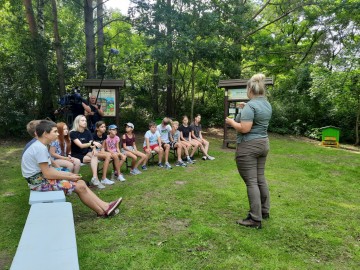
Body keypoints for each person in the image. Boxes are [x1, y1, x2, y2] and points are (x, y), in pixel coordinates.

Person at [21, 120, 122, 218]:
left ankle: (105, 207)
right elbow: (47, 173)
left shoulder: (40, 145)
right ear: (45, 134)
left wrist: (68, 175)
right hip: (39, 184)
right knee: (79, 187)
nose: (58, 134)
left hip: (42, 179)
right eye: (55, 132)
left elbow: (48, 170)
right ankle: (102, 210)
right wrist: (69, 176)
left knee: (81, 182)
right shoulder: (40, 148)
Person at [225, 73, 272, 229]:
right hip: (263, 144)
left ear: (250, 89)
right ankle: (264, 211)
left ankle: (254, 219)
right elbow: (257, 120)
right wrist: (244, 109)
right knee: (260, 179)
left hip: (249, 147)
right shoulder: (266, 104)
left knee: (251, 182)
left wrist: (231, 121)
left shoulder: (251, 106)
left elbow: (244, 128)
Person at [69, 115, 105, 189]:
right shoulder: (73, 133)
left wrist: (94, 149)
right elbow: (81, 145)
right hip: (77, 154)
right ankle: (96, 180)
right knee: (92, 159)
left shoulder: (87, 131)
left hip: (86, 151)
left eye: (85, 120)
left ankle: (95, 178)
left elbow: (91, 142)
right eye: (82, 120)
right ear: (77, 122)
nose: (85, 122)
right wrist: (93, 143)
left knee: (95, 155)